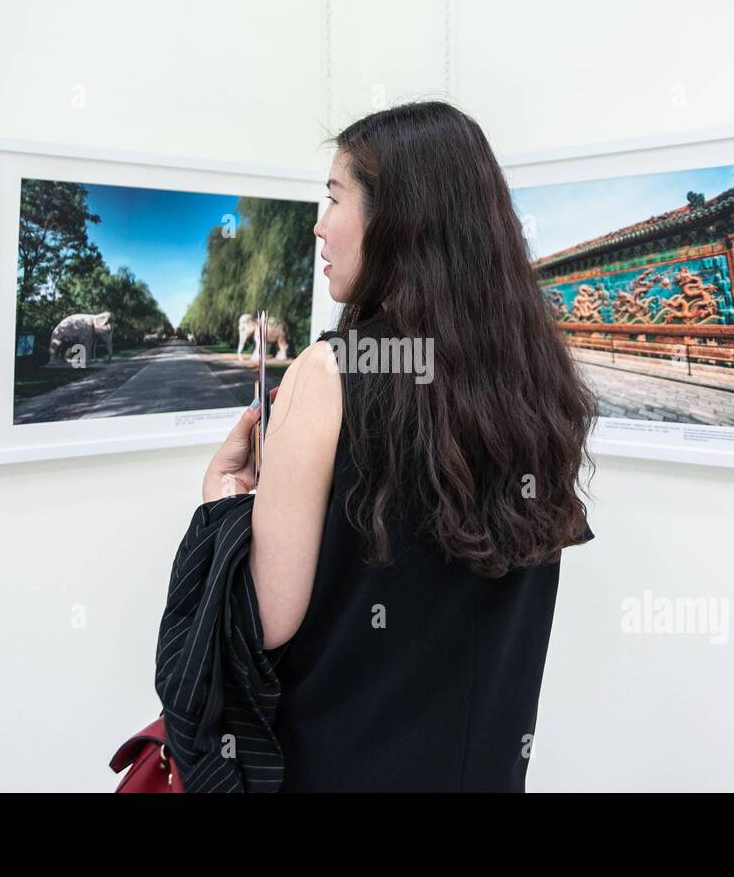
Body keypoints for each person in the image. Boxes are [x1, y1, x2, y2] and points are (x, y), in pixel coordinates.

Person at [201, 99, 597, 791]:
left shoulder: (329, 373)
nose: (319, 227)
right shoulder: (535, 379)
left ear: (397, 216)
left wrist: (223, 509)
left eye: (333, 198)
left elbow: (262, 621)